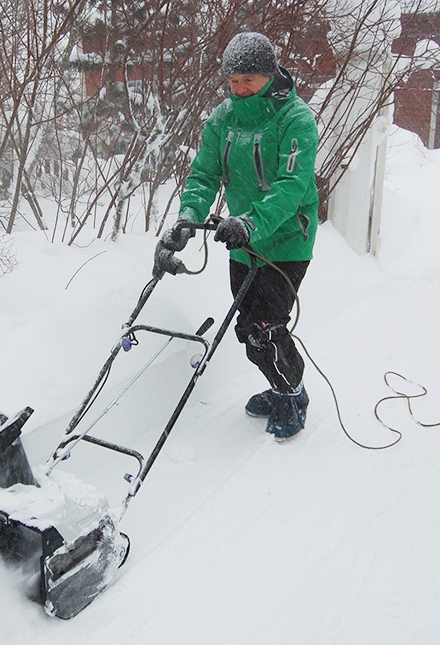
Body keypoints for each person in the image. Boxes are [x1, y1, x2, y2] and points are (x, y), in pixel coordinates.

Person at [155, 32, 319, 440]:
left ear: (269, 74)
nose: (239, 88)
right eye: (233, 81)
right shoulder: (223, 118)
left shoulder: (295, 119)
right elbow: (205, 174)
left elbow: (291, 186)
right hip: (241, 241)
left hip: (285, 242)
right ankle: (280, 382)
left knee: (265, 327)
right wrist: (186, 220)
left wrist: (251, 222)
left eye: (248, 79)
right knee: (248, 329)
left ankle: (293, 394)